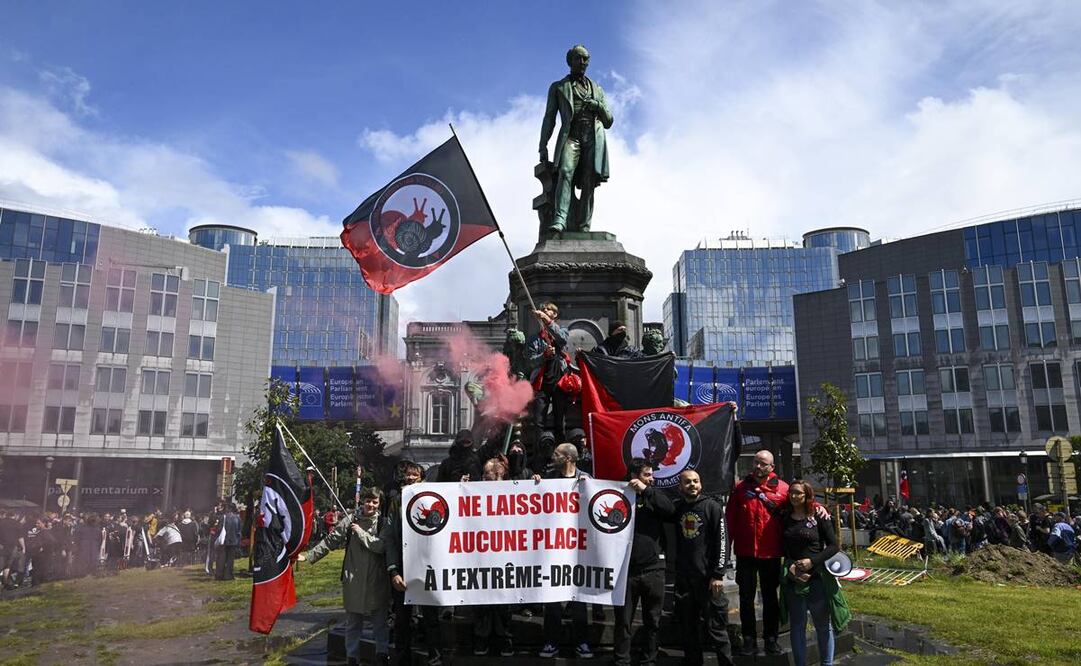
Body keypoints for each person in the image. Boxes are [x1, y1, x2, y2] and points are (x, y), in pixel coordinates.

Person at [302, 488, 390, 666]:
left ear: (380, 504)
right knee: (353, 622)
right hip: (353, 578)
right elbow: (331, 540)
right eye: (368, 500)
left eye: (375, 502)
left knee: (380, 622)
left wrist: (360, 533)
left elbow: (381, 546)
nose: (370, 505)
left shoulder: (383, 523)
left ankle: (382, 654)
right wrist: (310, 556)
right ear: (362, 501)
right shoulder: (350, 520)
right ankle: (352, 657)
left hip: (376, 580)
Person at [538, 44, 613, 237]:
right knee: (565, 172)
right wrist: (543, 144)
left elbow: (609, 121)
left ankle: (583, 225)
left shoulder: (597, 89)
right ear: (570, 61)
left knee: (589, 180)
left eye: (586, 58)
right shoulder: (558, 87)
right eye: (579, 58)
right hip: (571, 135)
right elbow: (549, 118)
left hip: (593, 138)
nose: (583, 62)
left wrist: (597, 105)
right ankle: (560, 219)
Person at [725, 450, 787, 656]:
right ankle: (749, 639)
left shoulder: (783, 489)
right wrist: (726, 552)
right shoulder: (740, 489)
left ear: (772, 467)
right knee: (745, 598)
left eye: (763, 464)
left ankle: (771, 638)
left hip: (771, 554)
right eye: (755, 463)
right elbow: (730, 521)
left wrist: (817, 507)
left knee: (770, 598)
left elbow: (801, 504)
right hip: (745, 553)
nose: (758, 467)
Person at [613, 458, 673, 666]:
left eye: (652, 474)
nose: (652, 478)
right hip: (626, 571)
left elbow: (670, 511)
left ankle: (649, 660)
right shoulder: (618, 494)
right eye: (647, 474)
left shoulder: (654, 495)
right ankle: (622, 660)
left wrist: (645, 491)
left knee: (653, 620)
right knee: (623, 621)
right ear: (634, 475)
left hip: (654, 569)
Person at [535, 443, 593, 659]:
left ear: (569, 458)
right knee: (552, 598)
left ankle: (582, 642)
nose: (553, 456)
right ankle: (551, 641)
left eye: (557, 454)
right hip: (553, 547)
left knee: (578, 598)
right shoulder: (548, 479)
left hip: (578, 547)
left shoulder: (586, 478)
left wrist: (590, 486)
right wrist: (536, 486)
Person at [779, 480, 845, 666]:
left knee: (823, 626)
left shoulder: (819, 516)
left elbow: (834, 546)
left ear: (807, 495)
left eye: (799, 493)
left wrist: (812, 562)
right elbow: (783, 548)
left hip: (817, 578)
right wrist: (790, 566)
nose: (794, 496)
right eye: (791, 492)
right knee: (797, 627)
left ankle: (827, 663)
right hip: (794, 579)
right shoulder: (784, 517)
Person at [670, 469, 733, 666]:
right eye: (687, 482)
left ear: (701, 484)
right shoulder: (676, 509)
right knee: (688, 631)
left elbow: (723, 542)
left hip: (707, 580)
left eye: (696, 481)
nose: (692, 485)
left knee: (717, 630)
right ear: (680, 487)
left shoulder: (712, 507)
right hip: (684, 580)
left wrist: (718, 574)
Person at [384, 460, 444, 666]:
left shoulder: (433, 499)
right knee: (401, 619)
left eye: (415, 475)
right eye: (408, 475)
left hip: (428, 567)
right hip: (402, 567)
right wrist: (393, 570)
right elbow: (390, 538)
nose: (410, 478)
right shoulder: (396, 501)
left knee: (431, 617)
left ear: (422, 478)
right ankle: (402, 659)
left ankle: (435, 657)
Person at [470, 458, 515, 657]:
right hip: (480, 555)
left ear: (499, 474)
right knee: (482, 601)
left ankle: (504, 638)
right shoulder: (475, 492)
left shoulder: (514, 492)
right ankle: (482, 639)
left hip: (504, 557)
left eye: (487, 475)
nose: (483, 478)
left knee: (503, 601)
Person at [528, 302, 573, 443]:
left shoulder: (563, 331)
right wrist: (544, 355)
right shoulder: (534, 339)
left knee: (560, 422)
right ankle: (539, 455)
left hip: (560, 382)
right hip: (542, 384)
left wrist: (547, 321)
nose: (545, 311)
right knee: (538, 422)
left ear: (555, 314)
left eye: (548, 309)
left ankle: (562, 452)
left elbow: (562, 339)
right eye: (543, 310)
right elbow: (530, 362)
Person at [214, 503, 241, 580]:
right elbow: (239, 531)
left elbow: (219, 529)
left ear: (229, 508)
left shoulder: (224, 517)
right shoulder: (237, 518)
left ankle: (219, 575)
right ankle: (228, 575)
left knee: (221, 558)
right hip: (233, 541)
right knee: (230, 559)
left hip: (224, 540)